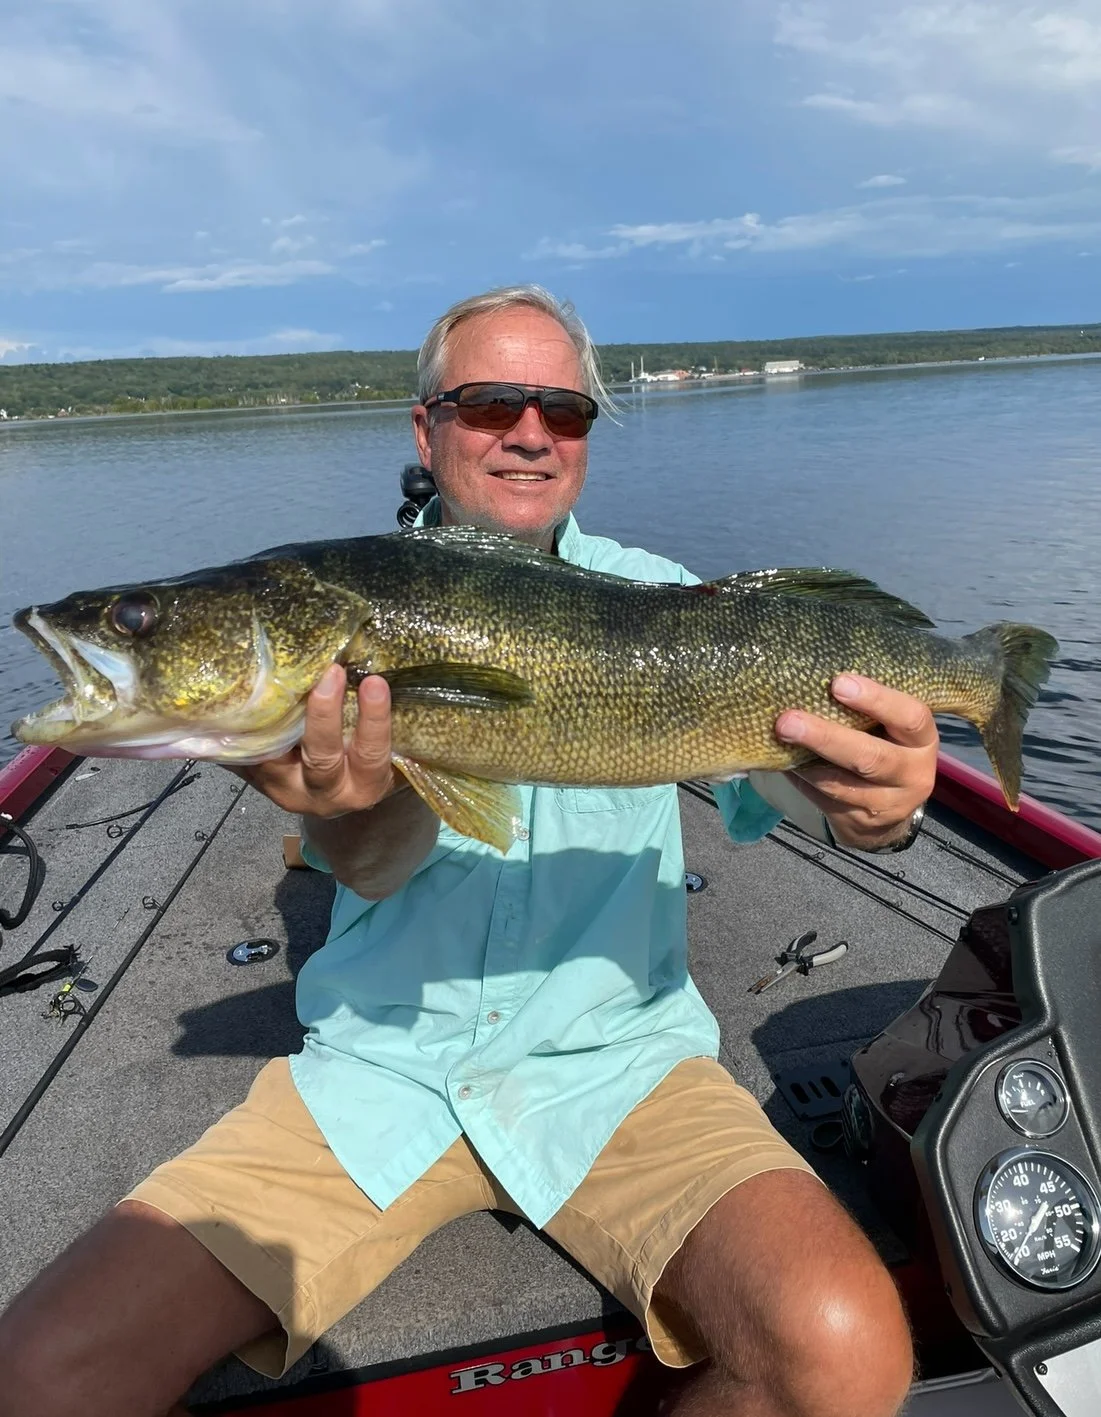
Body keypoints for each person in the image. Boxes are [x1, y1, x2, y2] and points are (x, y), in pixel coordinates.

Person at [0, 287, 936, 1417]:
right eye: (492, 403)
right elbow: (379, 857)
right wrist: (340, 806)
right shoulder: (348, 611)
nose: (531, 432)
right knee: (45, 1370)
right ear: (426, 427)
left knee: (842, 1347)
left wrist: (877, 809)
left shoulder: (671, 604)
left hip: (623, 1067)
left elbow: (799, 787)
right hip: (381, 1069)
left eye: (565, 411)